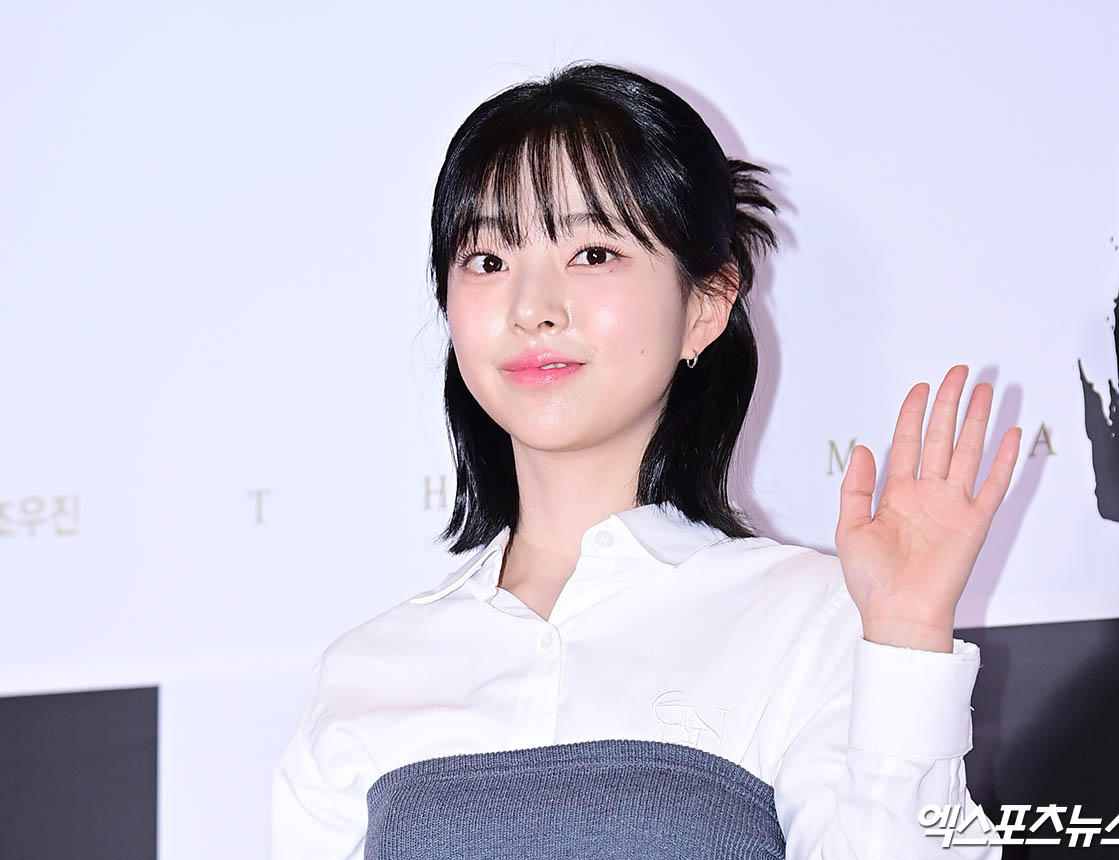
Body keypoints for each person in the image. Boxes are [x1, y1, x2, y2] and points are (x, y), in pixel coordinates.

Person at [269, 62, 1020, 859]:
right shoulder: (365, 674)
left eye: (594, 253)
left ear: (705, 305)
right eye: (488, 261)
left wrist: (904, 638)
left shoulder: (807, 621)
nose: (532, 308)